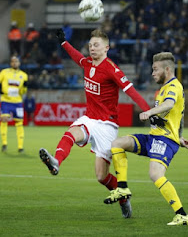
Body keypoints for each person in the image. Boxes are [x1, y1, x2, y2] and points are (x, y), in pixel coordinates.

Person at [39, 28, 150, 218]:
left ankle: (123, 199)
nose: (92, 48)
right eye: (90, 45)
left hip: (107, 126)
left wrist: (147, 110)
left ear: (106, 48)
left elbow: (130, 89)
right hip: (90, 119)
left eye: (96, 45)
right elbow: (76, 57)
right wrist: (64, 43)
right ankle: (56, 162)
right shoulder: (87, 63)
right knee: (71, 132)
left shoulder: (111, 69)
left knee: (101, 176)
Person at [104, 52, 188, 225]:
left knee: (155, 174)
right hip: (155, 137)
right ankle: (122, 188)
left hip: (164, 140)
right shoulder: (163, 89)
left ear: (167, 69)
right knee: (118, 143)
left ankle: (182, 214)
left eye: (155, 69)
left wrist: (149, 112)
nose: (152, 73)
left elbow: (169, 104)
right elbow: (179, 115)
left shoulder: (173, 87)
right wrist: (180, 136)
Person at [0, 56, 28, 153]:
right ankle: (4, 144)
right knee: (4, 120)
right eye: (13, 61)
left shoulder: (24, 75)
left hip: (18, 102)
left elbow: (23, 91)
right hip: (6, 101)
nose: (14, 63)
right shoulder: (4, 72)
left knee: (19, 123)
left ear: (19, 63)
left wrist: (24, 87)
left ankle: (20, 147)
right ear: (10, 63)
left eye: (16, 61)